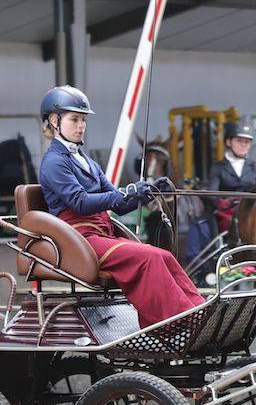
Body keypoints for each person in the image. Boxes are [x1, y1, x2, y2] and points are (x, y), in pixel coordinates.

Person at [37, 85, 205, 328]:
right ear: (54, 122)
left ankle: (200, 310)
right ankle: (181, 322)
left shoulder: (87, 161)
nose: (81, 125)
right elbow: (80, 202)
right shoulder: (54, 162)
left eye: (83, 120)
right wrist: (126, 193)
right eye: (74, 119)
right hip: (80, 240)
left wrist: (146, 192)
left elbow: (118, 203)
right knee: (148, 258)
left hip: (102, 234)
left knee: (164, 255)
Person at [205, 121, 256, 232]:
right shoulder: (217, 167)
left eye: (247, 142)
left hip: (250, 210)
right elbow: (212, 193)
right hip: (226, 213)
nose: (243, 145)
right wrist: (223, 203)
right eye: (239, 141)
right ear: (228, 142)